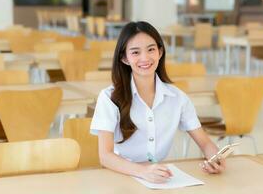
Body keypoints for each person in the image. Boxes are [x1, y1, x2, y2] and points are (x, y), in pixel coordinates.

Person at [90, 21, 225, 183]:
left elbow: (205, 143)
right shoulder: (109, 98)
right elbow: (105, 156)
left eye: (151, 49)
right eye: (135, 52)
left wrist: (215, 158)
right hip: (121, 175)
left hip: (161, 177)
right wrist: (143, 171)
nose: (145, 58)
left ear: (160, 52)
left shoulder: (178, 98)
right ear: (124, 58)